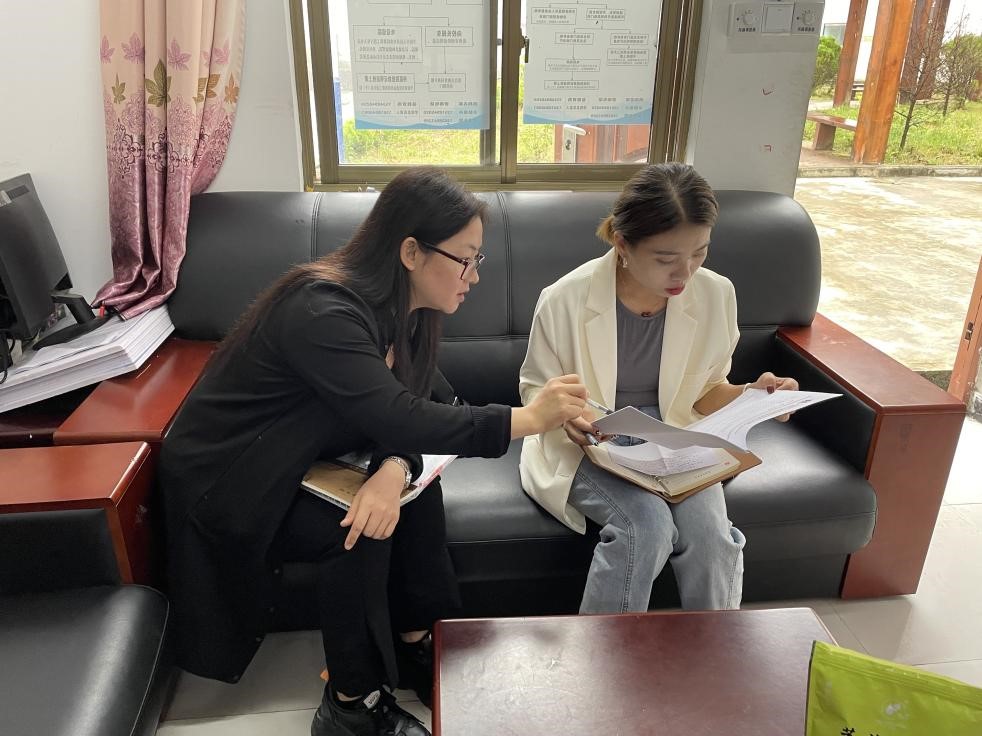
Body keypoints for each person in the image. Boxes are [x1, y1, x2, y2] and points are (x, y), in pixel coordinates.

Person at [159, 167, 587, 736]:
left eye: (478, 259)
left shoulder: (402, 312)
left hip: (298, 456)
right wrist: (529, 419)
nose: (475, 276)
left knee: (412, 494)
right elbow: (399, 414)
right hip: (235, 476)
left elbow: (428, 399)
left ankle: (416, 641)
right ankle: (350, 704)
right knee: (357, 527)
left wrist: (393, 467)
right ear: (411, 251)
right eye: (466, 260)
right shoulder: (322, 311)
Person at [518, 163, 798, 616]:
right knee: (643, 528)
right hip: (594, 441)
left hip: (677, 440)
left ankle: (715, 646)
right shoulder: (565, 298)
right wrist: (568, 416)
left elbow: (706, 391)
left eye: (699, 253)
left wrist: (755, 394)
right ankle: (602, 654)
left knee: (712, 536)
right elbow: (536, 388)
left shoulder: (716, 294)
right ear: (622, 244)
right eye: (666, 259)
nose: (684, 273)